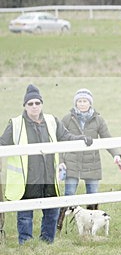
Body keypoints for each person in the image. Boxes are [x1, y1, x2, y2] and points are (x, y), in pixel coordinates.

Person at [0, 84, 92, 244]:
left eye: (37, 103)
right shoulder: (15, 124)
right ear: (25, 106)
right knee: (25, 216)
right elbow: (2, 143)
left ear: (41, 104)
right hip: (27, 181)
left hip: (49, 178)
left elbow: (66, 136)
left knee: (51, 213)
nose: (34, 106)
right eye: (30, 104)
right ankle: (26, 246)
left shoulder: (52, 121)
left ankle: (46, 244)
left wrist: (81, 138)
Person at [60, 88, 121, 207]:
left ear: (90, 103)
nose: (82, 104)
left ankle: (92, 222)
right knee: (69, 194)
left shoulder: (98, 120)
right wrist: (61, 162)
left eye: (85, 101)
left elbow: (107, 138)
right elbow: (59, 140)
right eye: (80, 101)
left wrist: (116, 154)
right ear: (75, 103)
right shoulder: (67, 119)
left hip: (92, 164)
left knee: (93, 196)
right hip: (71, 163)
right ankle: (60, 224)